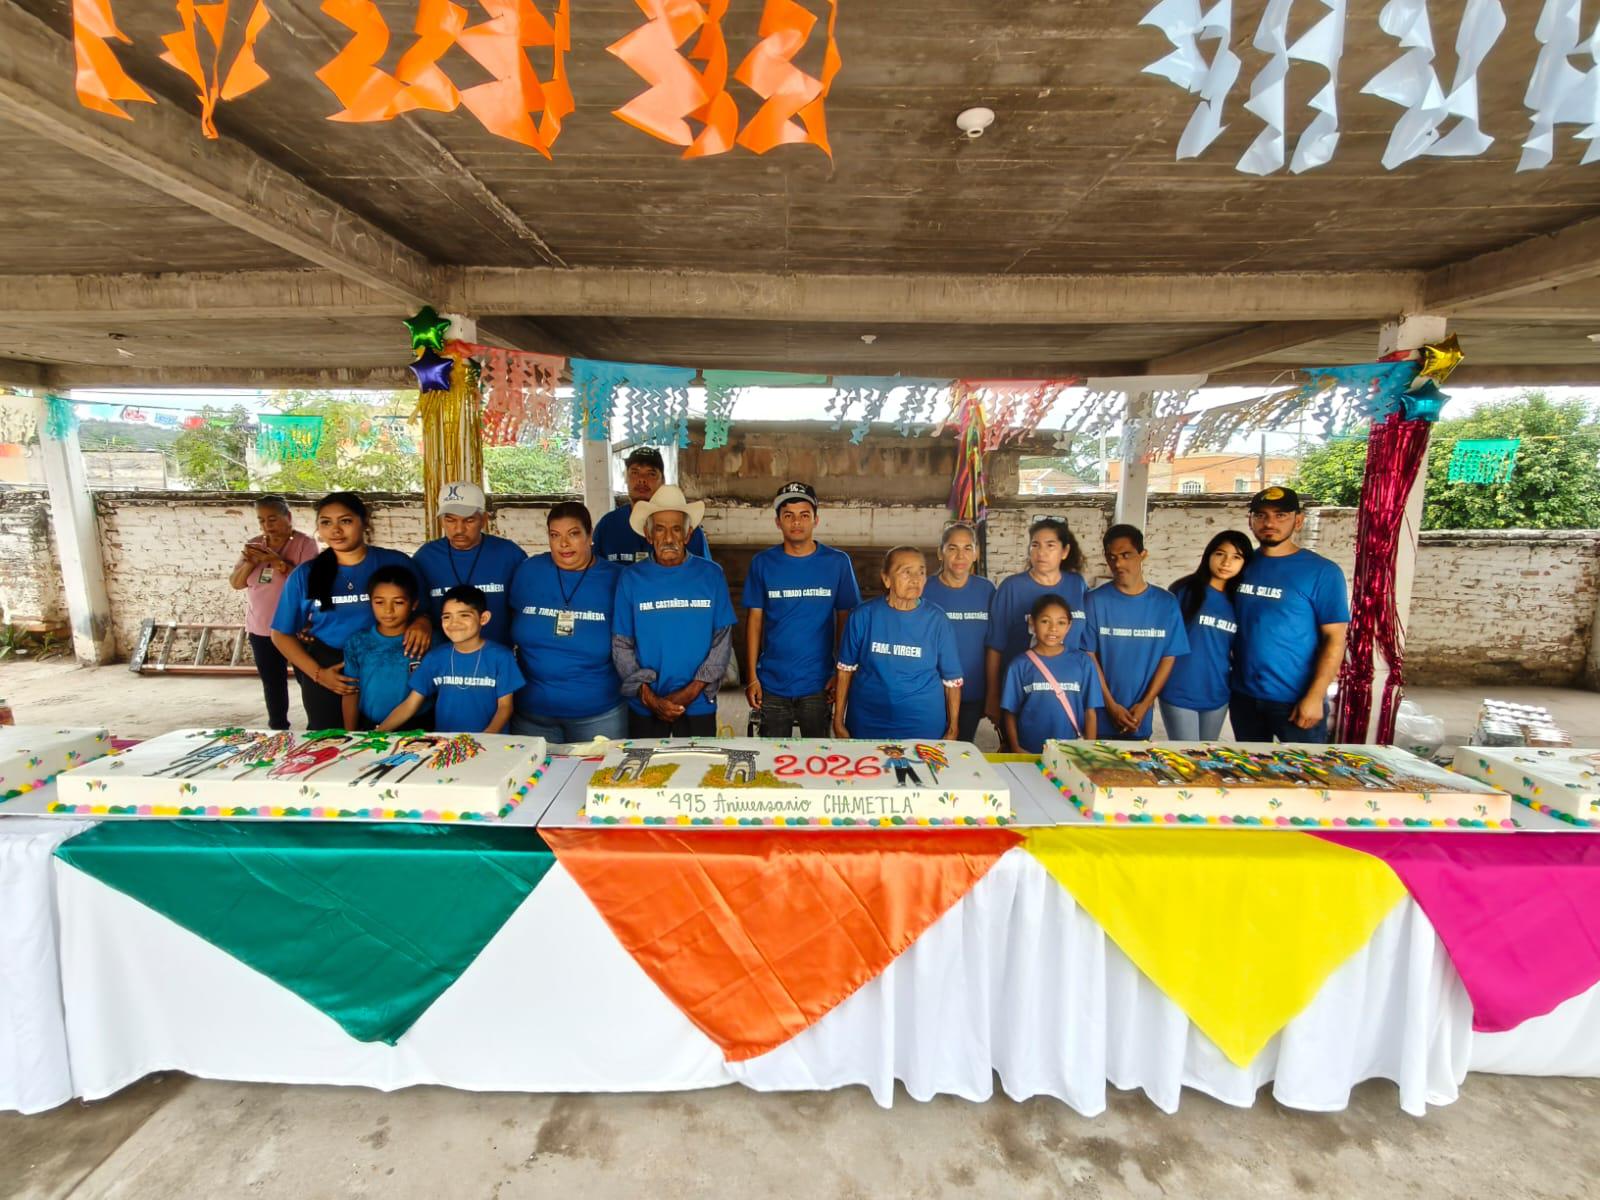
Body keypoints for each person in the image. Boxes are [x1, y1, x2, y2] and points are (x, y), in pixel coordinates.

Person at [270, 492, 426, 730]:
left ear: (364, 522)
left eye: (345, 521)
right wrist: (320, 674)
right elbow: (280, 634)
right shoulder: (306, 574)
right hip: (333, 669)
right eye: (326, 522)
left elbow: (424, 607)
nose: (336, 530)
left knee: (391, 742)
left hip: (389, 664)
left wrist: (422, 622)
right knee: (329, 744)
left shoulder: (395, 562)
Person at [612, 485, 736, 737]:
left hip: (698, 703)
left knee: (697, 772)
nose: (668, 538)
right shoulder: (631, 578)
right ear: (648, 535)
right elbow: (621, 645)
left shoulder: (711, 575)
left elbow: (722, 642)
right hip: (645, 705)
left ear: (688, 535)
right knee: (646, 775)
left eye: (676, 529)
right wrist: (649, 698)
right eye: (660, 528)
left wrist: (689, 693)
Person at [1231, 486, 1350, 743]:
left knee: (1303, 778)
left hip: (1295, 699)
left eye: (1280, 515)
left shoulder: (1322, 572)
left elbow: (1335, 639)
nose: (1270, 522)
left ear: (1298, 521)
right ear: (1250, 520)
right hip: (1244, 697)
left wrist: (1316, 696)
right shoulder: (1240, 565)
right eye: (1261, 515)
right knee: (1251, 775)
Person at [743, 482, 861, 738]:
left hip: (819, 682)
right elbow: (754, 622)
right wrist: (752, 676)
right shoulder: (762, 563)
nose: (797, 522)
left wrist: (839, 674)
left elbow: (846, 621)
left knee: (818, 755)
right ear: (778, 522)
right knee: (772, 760)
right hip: (772, 681)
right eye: (788, 516)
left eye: (804, 515)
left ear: (816, 520)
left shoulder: (838, 563)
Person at [507, 502, 628, 742]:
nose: (563, 544)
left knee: (596, 778)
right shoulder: (529, 571)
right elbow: (510, 623)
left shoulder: (617, 579)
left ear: (589, 535)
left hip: (599, 716)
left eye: (573, 534)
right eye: (555, 535)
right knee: (536, 780)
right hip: (531, 715)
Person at [833, 546, 963, 741]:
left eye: (921, 572)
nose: (916, 579)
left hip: (923, 724)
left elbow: (952, 680)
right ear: (886, 579)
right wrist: (838, 720)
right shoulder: (862, 616)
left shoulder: (937, 621)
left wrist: (953, 728)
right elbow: (845, 671)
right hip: (868, 721)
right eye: (906, 572)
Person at [983, 517, 1087, 748]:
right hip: (1025, 690)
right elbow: (995, 645)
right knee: (1020, 752)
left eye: (1050, 545)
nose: (1041, 552)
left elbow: (1084, 641)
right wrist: (992, 695)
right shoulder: (1012, 587)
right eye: (1035, 545)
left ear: (1064, 551)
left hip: (1067, 691)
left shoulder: (1077, 585)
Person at [1084, 524, 1189, 740]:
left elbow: (1168, 657)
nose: (1118, 563)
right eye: (1112, 557)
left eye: (1126, 555)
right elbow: (1088, 656)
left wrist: (1146, 703)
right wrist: (1111, 705)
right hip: (1099, 718)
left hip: (1139, 719)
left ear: (1143, 555)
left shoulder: (1166, 604)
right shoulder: (1094, 601)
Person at [380, 586, 524, 734]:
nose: (454, 623)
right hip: (447, 747)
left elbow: (505, 707)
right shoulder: (435, 657)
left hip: (490, 745)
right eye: (447, 617)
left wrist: (486, 737)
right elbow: (410, 704)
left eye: (464, 615)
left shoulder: (501, 657)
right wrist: (379, 732)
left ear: (483, 618)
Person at [229, 495, 318, 730]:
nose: (268, 526)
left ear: (288, 518)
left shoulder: (304, 544)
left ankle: (316, 728)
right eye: (262, 521)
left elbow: (310, 583)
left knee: (308, 680)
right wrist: (251, 561)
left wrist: (277, 561)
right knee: (272, 683)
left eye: (273, 519)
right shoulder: (255, 544)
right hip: (261, 627)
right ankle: (278, 728)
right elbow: (236, 583)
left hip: (297, 628)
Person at [1161, 531, 1253, 741]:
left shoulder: (1239, 600)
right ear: (1209, 555)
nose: (1226, 562)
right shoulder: (1185, 591)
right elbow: (1162, 642)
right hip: (1179, 690)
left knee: (1206, 758)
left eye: (1236, 557)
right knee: (1186, 758)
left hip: (1217, 692)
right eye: (1220, 554)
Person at [411, 481, 526, 645]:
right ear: (442, 521)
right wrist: (421, 620)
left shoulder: (509, 554)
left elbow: (523, 609)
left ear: (484, 519)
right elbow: (416, 607)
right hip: (445, 660)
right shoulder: (425, 557)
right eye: (450, 520)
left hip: (496, 659)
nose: (459, 529)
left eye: (469, 520)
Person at [921, 522, 997, 742]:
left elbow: (993, 645)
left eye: (967, 548)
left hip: (971, 692)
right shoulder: (925, 589)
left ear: (976, 553)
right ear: (940, 553)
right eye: (952, 548)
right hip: (930, 692)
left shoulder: (987, 590)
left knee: (961, 753)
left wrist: (991, 694)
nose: (960, 555)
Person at [1001, 594, 1101, 753]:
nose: (1053, 628)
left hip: (1072, 751)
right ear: (1032, 623)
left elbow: (1090, 711)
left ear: (1069, 626)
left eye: (1061, 622)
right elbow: (1010, 712)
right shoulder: (1018, 665)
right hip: (1030, 751)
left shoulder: (1083, 663)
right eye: (1045, 621)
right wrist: (1016, 747)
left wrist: (1089, 750)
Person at [592, 446, 712, 565]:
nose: (642, 480)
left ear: (663, 480)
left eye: (651, 474)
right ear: (626, 478)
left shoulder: (686, 527)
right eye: (635, 472)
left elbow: (704, 575)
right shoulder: (608, 525)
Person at [340, 565, 424, 732]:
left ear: (414, 604)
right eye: (379, 602)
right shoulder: (358, 642)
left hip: (419, 728)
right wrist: (350, 734)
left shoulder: (427, 640)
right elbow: (351, 691)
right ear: (370, 602)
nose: (388, 610)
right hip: (370, 726)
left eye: (398, 602)